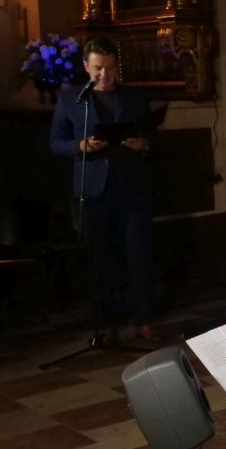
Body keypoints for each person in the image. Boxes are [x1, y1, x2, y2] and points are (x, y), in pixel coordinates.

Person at [49, 38, 157, 341]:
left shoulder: (134, 98)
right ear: (86, 66)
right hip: (94, 188)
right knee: (101, 259)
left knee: (138, 255)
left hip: (131, 186)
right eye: (98, 68)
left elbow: (152, 135)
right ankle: (107, 322)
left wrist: (144, 145)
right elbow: (55, 142)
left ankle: (143, 319)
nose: (105, 75)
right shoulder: (71, 100)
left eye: (110, 68)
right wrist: (80, 146)